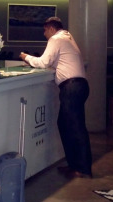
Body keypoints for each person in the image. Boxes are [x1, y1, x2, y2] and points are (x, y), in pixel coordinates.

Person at [19, 16, 93, 178]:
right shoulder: (67, 37)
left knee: (74, 127)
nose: (44, 34)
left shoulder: (56, 39)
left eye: (45, 30)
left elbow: (43, 62)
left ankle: (82, 168)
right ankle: (75, 165)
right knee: (68, 125)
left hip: (71, 88)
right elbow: (54, 62)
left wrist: (25, 57)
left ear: (51, 29)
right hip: (79, 86)